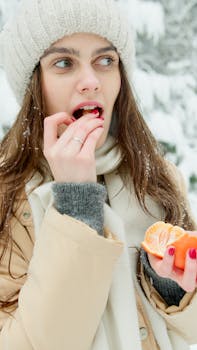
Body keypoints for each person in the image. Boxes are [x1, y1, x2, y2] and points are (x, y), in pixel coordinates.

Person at [0, 0, 196, 349]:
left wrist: (171, 288)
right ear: (34, 85)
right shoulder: (7, 197)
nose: (90, 81)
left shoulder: (157, 178)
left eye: (105, 60)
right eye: (64, 63)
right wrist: (77, 201)